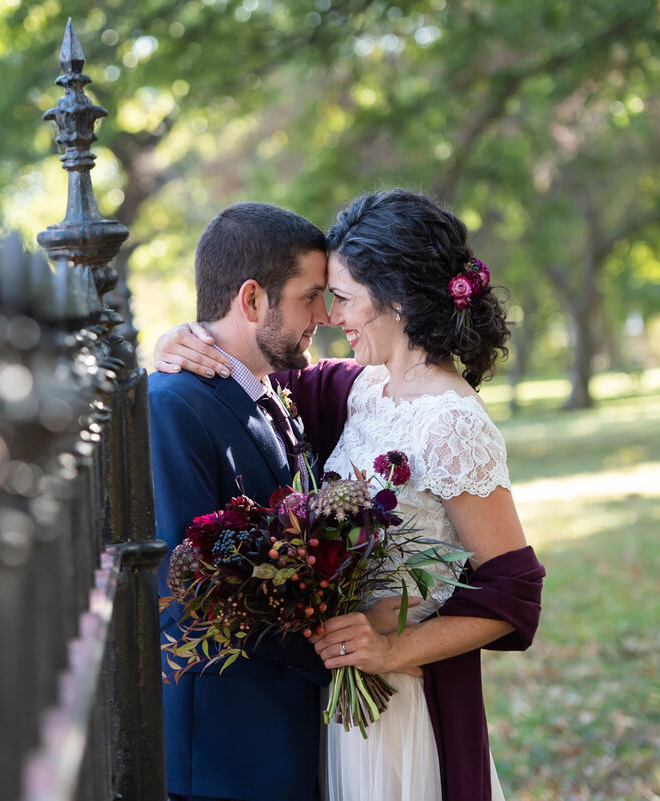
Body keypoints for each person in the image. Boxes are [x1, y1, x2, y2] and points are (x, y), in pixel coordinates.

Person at [154, 189, 545, 801]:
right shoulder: (360, 391)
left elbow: (515, 590)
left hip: (401, 696)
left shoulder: (452, 421)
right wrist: (179, 339)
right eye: (323, 298)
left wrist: (394, 649)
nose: (333, 317)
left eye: (341, 298)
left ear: (394, 300)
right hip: (331, 710)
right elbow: (243, 366)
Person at [151, 201, 372, 801]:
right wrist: (323, 638)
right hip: (226, 751)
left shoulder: (271, 390)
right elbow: (184, 587)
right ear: (251, 300)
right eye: (310, 296)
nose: (324, 316)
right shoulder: (172, 404)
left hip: (283, 729)